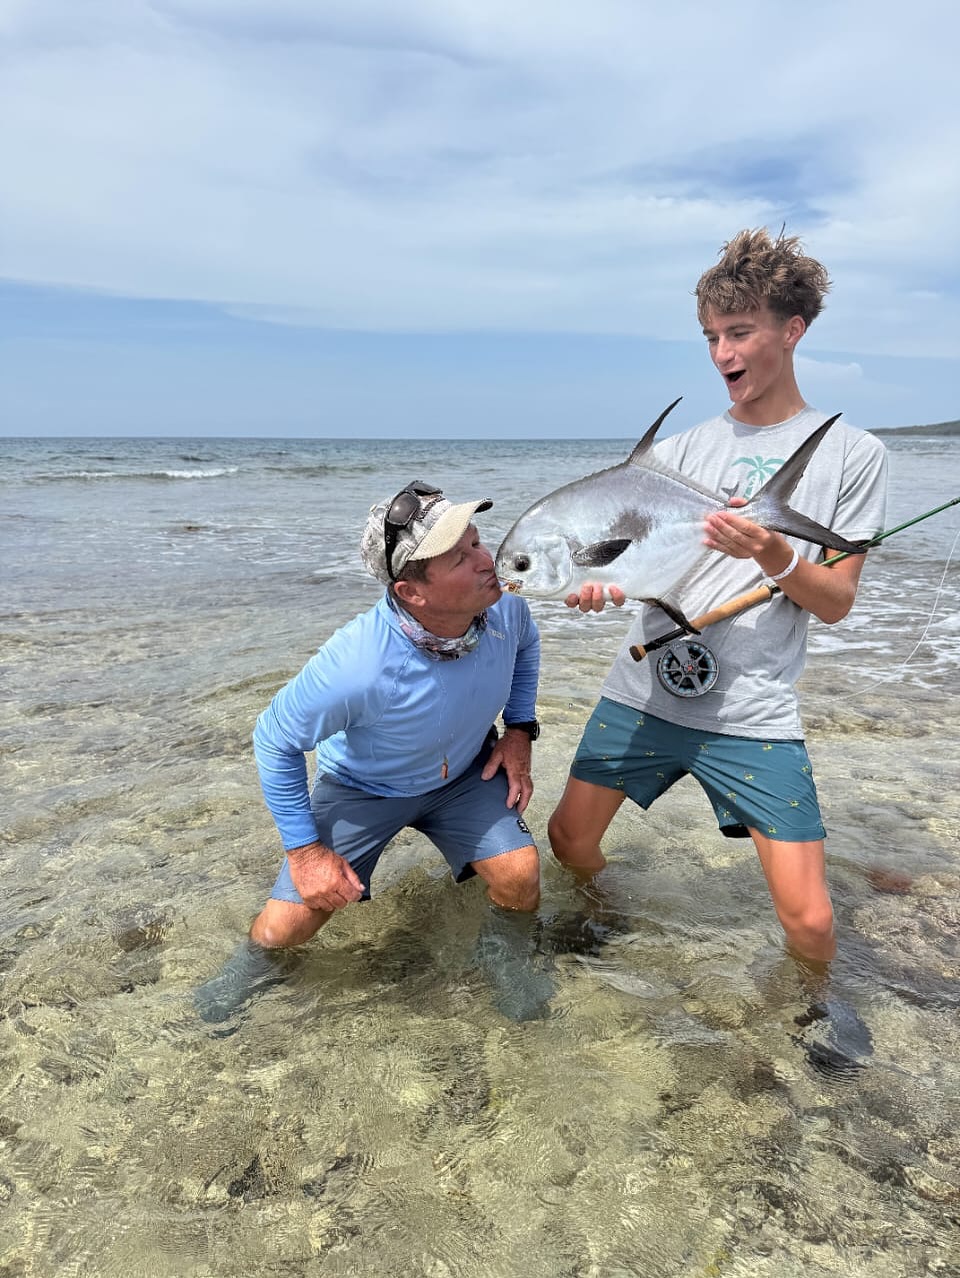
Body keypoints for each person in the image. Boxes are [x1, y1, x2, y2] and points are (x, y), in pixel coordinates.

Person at [548, 227, 888, 969]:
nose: (723, 355)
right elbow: (632, 566)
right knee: (569, 840)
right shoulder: (677, 454)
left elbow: (833, 602)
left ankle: (813, 1013)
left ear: (792, 331)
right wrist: (600, 588)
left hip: (750, 706)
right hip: (646, 687)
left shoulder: (854, 456)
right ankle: (605, 921)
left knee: (809, 922)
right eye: (710, 337)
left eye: (741, 332)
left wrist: (773, 553)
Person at [196, 481, 548, 1023]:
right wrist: (306, 854)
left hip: (463, 778)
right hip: (365, 788)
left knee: (521, 874)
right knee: (285, 928)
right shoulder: (357, 665)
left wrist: (520, 730)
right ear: (413, 593)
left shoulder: (505, 610)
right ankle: (248, 970)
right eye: (461, 556)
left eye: (479, 542)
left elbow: (526, 646)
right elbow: (273, 739)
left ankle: (501, 955)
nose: (487, 560)